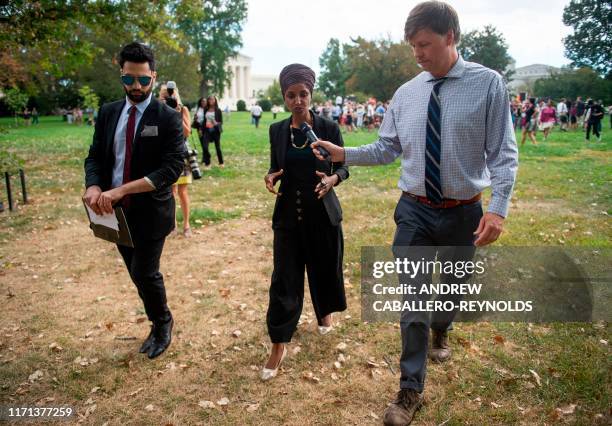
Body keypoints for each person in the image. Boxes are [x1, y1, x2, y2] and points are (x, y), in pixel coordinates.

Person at [312, 2, 518, 424]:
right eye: (412, 47)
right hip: (414, 212)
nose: (418, 54)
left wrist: (497, 210)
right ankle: (410, 390)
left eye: (424, 44)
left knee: (452, 289)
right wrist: (343, 152)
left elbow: (503, 154)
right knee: (414, 301)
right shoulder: (407, 93)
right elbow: (387, 148)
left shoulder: (488, 84)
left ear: (450, 37)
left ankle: (445, 326)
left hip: (465, 212)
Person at [83, 42, 185, 359]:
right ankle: (157, 318)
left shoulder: (167, 118)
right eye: (129, 79)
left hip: (151, 212)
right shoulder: (109, 112)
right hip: (112, 212)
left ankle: (162, 323)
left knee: (144, 271)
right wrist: (93, 185)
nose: (136, 86)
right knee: (134, 272)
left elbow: (171, 168)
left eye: (143, 79)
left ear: (153, 76)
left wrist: (123, 189)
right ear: (122, 75)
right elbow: (95, 157)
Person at [261, 63, 349, 381]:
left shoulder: (327, 128)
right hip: (287, 215)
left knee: (324, 267)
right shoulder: (277, 131)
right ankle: (278, 344)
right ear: (284, 98)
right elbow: (276, 167)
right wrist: (271, 176)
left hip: (322, 214)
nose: (298, 101)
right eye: (291, 95)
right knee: (284, 278)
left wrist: (332, 180)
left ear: (311, 95)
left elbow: (344, 168)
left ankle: (323, 313)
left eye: (304, 94)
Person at [160, 81, 193, 237]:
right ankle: (171, 225)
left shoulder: (182, 110)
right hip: (165, 155)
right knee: (170, 192)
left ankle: (186, 225)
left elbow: (187, 133)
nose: (167, 98)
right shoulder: (157, 110)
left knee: (182, 191)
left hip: (181, 155)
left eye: (169, 95)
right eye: (163, 96)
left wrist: (176, 113)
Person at [194, 96, 224, 168]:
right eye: (209, 99)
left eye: (212, 99)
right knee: (205, 147)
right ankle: (208, 163)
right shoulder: (206, 109)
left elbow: (221, 122)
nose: (210, 100)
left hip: (215, 131)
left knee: (217, 147)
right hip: (207, 131)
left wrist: (216, 123)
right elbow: (204, 121)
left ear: (215, 101)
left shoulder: (218, 110)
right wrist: (201, 129)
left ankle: (221, 162)